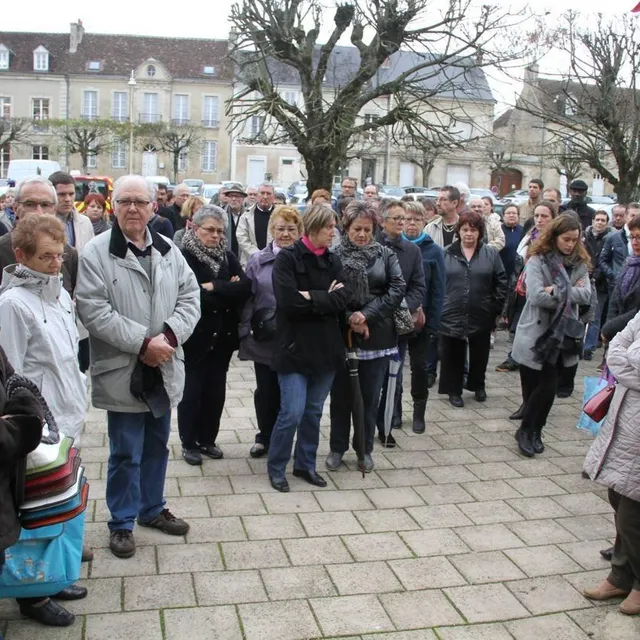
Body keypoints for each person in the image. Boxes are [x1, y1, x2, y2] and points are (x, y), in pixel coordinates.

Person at [76, 175, 200, 559]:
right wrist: (142, 343)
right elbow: (94, 309)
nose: (133, 208)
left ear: (153, 207)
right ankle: (122, 522)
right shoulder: (97, 252)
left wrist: (169, 338)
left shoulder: (167, 248)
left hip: (163, 365)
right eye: (125, 200)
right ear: (114, 206)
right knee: (125, 451)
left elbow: (190, 297)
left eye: (140, 201)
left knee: (157, 446)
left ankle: (151, 509)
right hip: (123, 370)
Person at [267, 205, 349, 492]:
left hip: (326, 349)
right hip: (293, 349)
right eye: (329, 227)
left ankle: (305, 465)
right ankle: (277, 467)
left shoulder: (333, 260)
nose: (333, 232)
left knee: (313, 412)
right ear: (314, 227)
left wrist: (311, 298)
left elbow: (344, 298)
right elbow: (288, 302)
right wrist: (325, 298)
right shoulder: (287, 259)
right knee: (291, 411)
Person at [0, 347, 79, 627]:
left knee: (29, 525)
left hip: (12, 462)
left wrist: (24, 406)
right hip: (11, 444)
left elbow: (10, 375)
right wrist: (21, 428)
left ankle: (36, 591)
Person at [327, 201, 405, 473]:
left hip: (377, 333)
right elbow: (329, 291)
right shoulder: (333, 255)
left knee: (369, 396)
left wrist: (366, 315)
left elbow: (396, 289)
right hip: (342, 333)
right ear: (346, 228)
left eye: (368, 229)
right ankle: (337, 448)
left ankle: (364, 449)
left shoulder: (385, 254)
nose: (362, 234)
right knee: (341, 396)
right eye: (357, 229)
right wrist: (350, 316)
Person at [0, 214, 87, 444]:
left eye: (60, 255)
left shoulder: (62, 296)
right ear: (21, 255)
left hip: (71, 417)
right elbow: (10, 376)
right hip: (41, 426)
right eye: (46, 256)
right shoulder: (12, 304)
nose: (56, 264)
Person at [511, 214, 591, 456]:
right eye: (566, 239)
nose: (570, 244)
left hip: (562, 336)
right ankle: (529, 430)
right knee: (538, 388)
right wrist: (569, 291)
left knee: (548, 387)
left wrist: (555, 289)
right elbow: (535, 296)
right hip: (537, 333)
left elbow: (587, 294)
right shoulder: (538, 260)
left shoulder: (579, 263)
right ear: (554, 237)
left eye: (574, 240)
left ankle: (531, 430)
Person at [177, 206, 251, 465]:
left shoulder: (227, 256)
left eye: (220, 231)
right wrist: (225, 291)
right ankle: (189, 442)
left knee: (215, 392)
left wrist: (217, 286)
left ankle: (208, 439)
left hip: (222, 338)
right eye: (210, 230)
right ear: (195, 228)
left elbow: (245, 286)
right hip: (196, 336)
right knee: (192, 392)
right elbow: (194, 297)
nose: (216, 235)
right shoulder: (184, 256)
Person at [582, 310, 640, 615]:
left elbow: (629, 356)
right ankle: (620, 576)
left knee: (633, 511)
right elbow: (617, 343)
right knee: (618, 496)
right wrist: (625, 357)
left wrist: (624, 358)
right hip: (625, 418)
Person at [239, 206, 303, 458]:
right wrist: (244, 331)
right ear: (271, 231)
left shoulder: (306, 259)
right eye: (280, 228)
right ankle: (264, 436)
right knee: (265, 390)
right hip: (265, 338)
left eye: (291, 229)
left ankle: (284, 436)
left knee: (291, 392)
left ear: (299, 231)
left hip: (297, 338)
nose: (285, 234)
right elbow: (248, 298)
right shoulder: (257, 260)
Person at [438, 210, 507, 407]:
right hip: (452, 311)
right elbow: (437, 283)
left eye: (474, 230)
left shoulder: (491, 254)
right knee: (453, 354)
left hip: (482, 311)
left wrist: (496, 308)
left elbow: (501, 283)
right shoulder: (445, 253)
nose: (469, 234)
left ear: (480, 232)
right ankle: (454, 390)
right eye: (465, 229)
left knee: (480, 353)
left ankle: (478, 385)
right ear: (459, 231)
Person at [375, 199, 426, 446]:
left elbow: (419, 286)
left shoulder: (413, 251)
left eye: (403, 219)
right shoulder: (370, 244)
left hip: (398, 325)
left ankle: (386, 426)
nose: (401, 223)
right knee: (372, 379)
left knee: (392, 379)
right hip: (372, 324)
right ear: (382, 220)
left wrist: (401, 305)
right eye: (396, 218)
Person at [398, 200, 445, 433]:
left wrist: (434, 323)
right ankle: (394, 411)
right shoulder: (392, 248)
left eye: (416, 219)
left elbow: (438, 290)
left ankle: (418, 412)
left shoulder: (434, 251)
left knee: (419, 367)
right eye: (407, 219)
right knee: (394, 366)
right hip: (395, 318)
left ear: (424, 222)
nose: (411, 224)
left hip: (421, 321)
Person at [497, 201, 558, 375]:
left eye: (544, 216)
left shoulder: (555, 241)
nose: (539, 220)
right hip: (522, 285)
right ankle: (515, 356)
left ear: (553, 218)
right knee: (518, 324)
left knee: (534, 326)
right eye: (537, 215)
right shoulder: (530, 235)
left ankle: (526, 358)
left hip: (541, 289)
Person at [0, 176, 78, 298]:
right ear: (15, 208)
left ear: (54, 209)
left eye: (45, 204)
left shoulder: (68, 254)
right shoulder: (2, 250)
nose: (38, 212)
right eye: (29, 204)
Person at [601, 216, 640, 341]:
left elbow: (636, 311)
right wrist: (610, 327)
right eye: (632, 237)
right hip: (619, 336)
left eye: (639, 237)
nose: (635, 242)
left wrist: (610, 329)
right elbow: (615, 300)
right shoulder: (629, 263)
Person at [582, 210, 613, 360]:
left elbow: (607, 259)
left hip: (600, 283)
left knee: (595, 316)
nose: (600, 223)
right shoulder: (583, 237)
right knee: (581, 314)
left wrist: (599, 273)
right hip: (583, 278)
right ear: (592, 221)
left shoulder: (610, 238)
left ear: (607, 223)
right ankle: (577, 343)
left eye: (603, 220)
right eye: (597, 220)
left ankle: (589, 347)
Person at [49, 172, 94, 251]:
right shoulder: (42, 223)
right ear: (51, 195)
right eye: (62, 194)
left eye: (71, 194)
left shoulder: (85, 222)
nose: (68, 199)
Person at [600, 204, 636, 298]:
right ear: (626, 216)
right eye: (632, 215)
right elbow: (603, 259)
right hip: (616, 286)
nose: (635, 219)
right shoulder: (612, 237)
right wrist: (613, 276)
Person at [236, 183, 276, 266]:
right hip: (251, 262)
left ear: (273, 197)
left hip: (275, 261)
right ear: (257, 195)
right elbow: (242, 238)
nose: (265, 197)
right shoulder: (246, 216)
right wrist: (259, 255)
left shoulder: (280, 215)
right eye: (262, 193)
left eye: (268, 193)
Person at [499, 204, 525, 282]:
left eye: (514, 213)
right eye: (508, 213)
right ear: (503, 216)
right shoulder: (498, 230)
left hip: (519, 273)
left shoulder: (523, 230)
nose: (511, 215)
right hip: (502, 272)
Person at [222, 183, 247, 257]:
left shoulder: (248, 216)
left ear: (243, 199)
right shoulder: (221, 214)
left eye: (237, 196)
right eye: (231, 196)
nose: (233, 199)